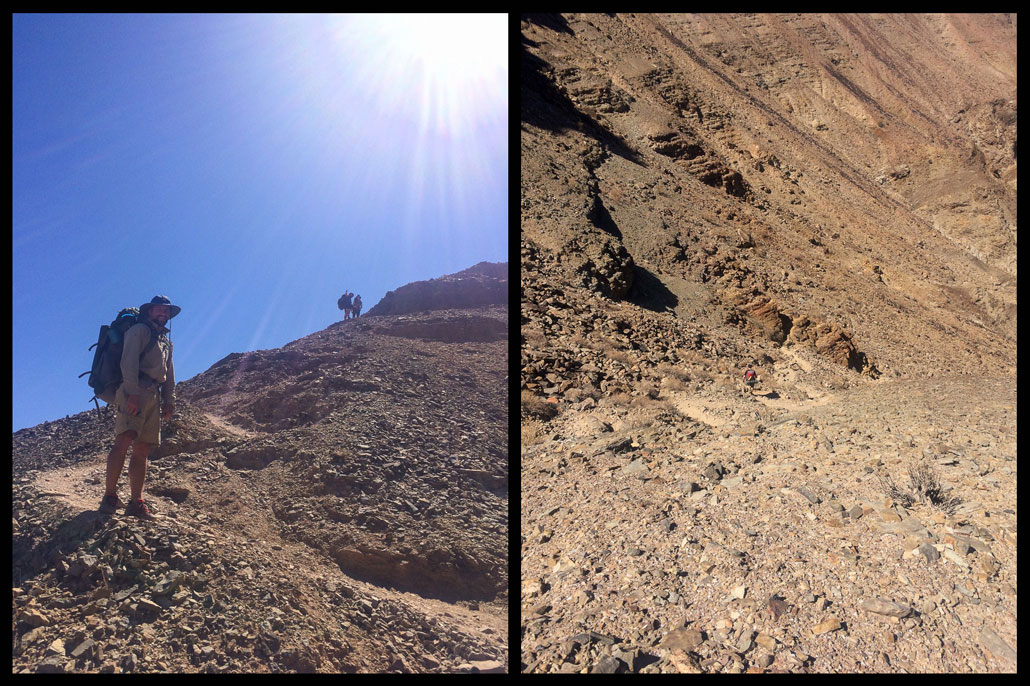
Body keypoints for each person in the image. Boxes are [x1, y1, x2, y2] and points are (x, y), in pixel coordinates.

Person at [98, 295, 180, 520]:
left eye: (166, 311)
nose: (162, 314)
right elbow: (128, 362)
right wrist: (132, 393)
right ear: (149, 311)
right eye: (158, 310)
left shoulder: (165, 341)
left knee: (142, 449)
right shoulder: (139, 331)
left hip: (153, 394)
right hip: (134, 391)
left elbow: (168, 374)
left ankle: (136, 501)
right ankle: (110, 496)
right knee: (124, 440)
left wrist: (169, 400)